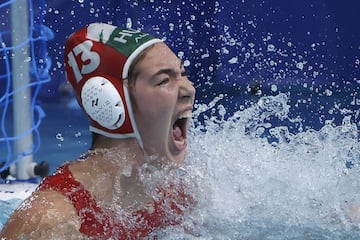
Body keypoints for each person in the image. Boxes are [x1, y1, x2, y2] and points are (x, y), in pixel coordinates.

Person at [0, 22, 196, 239]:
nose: (189, 89)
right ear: (110, 102)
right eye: (164, 80)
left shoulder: (176, 197)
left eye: (183, 73)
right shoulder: (51, 221)